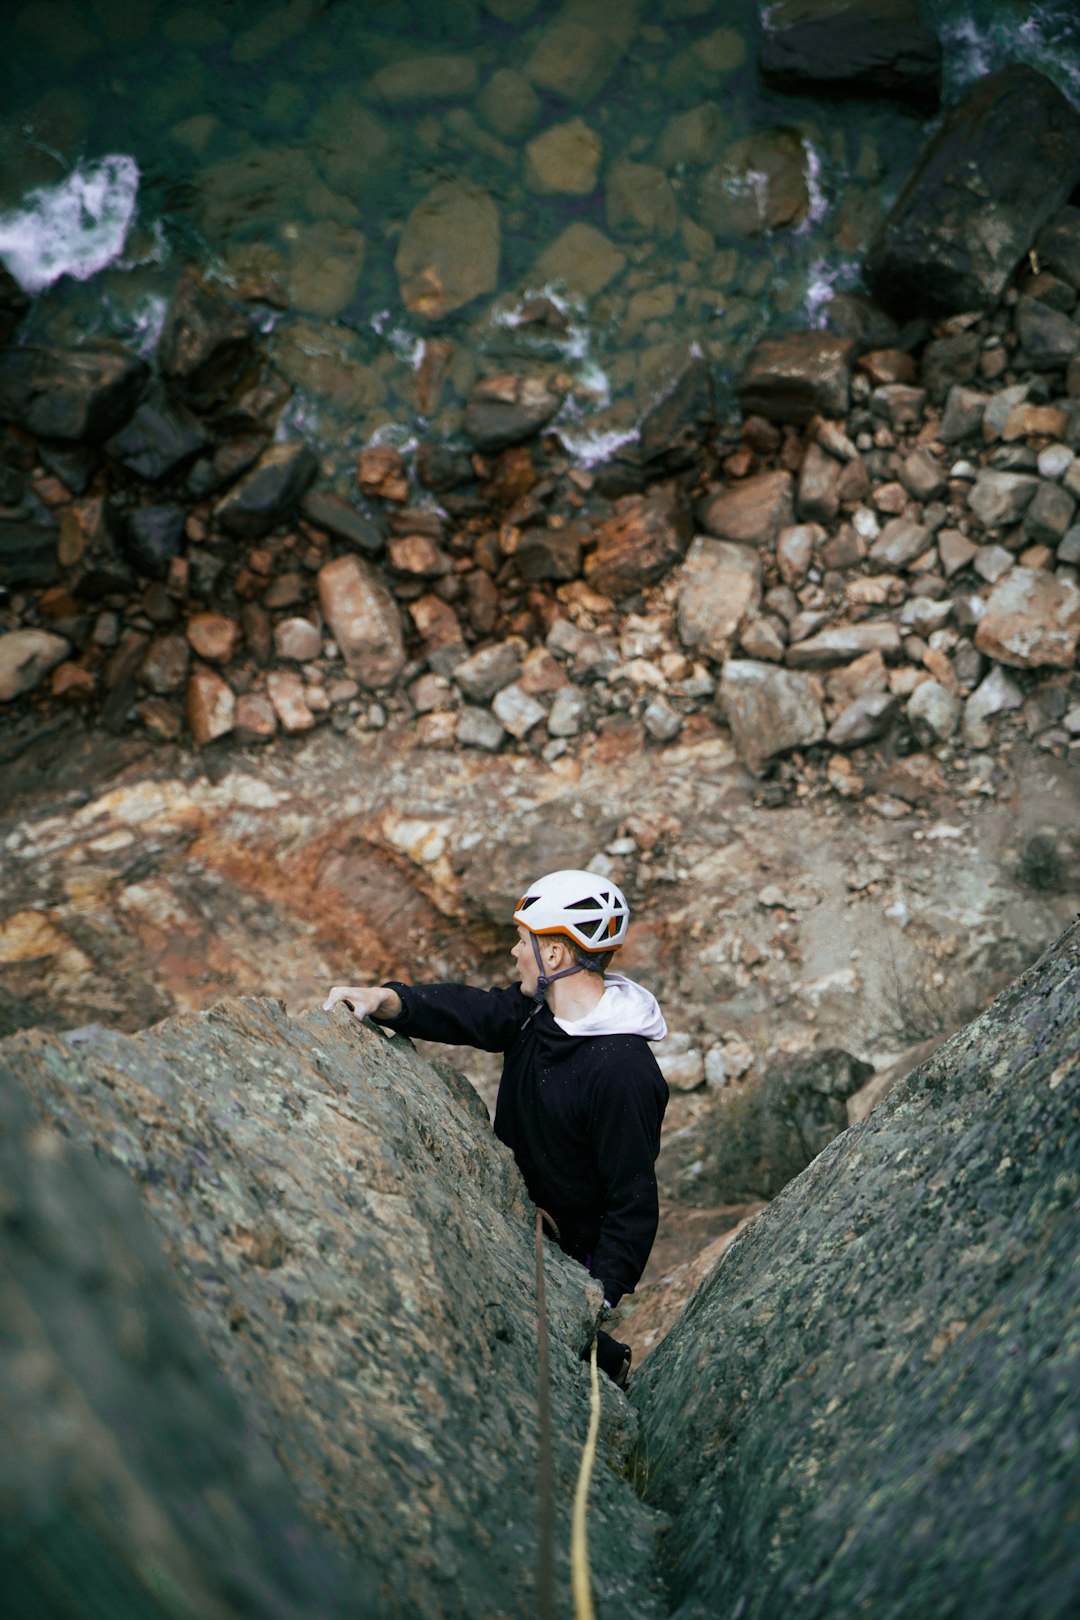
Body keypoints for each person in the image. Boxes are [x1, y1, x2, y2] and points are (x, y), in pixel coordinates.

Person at [324, 868, 669, 1388]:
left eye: (522, 940)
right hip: (516, 1223)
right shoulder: (537, 1013)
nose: (514, 952)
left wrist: (596, 1295)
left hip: (567, 1257)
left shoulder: (621, 1068)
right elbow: (476, 1011)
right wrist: (388, 1000)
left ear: (554, 954)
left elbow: (633, 1196)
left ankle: (604, 1364)